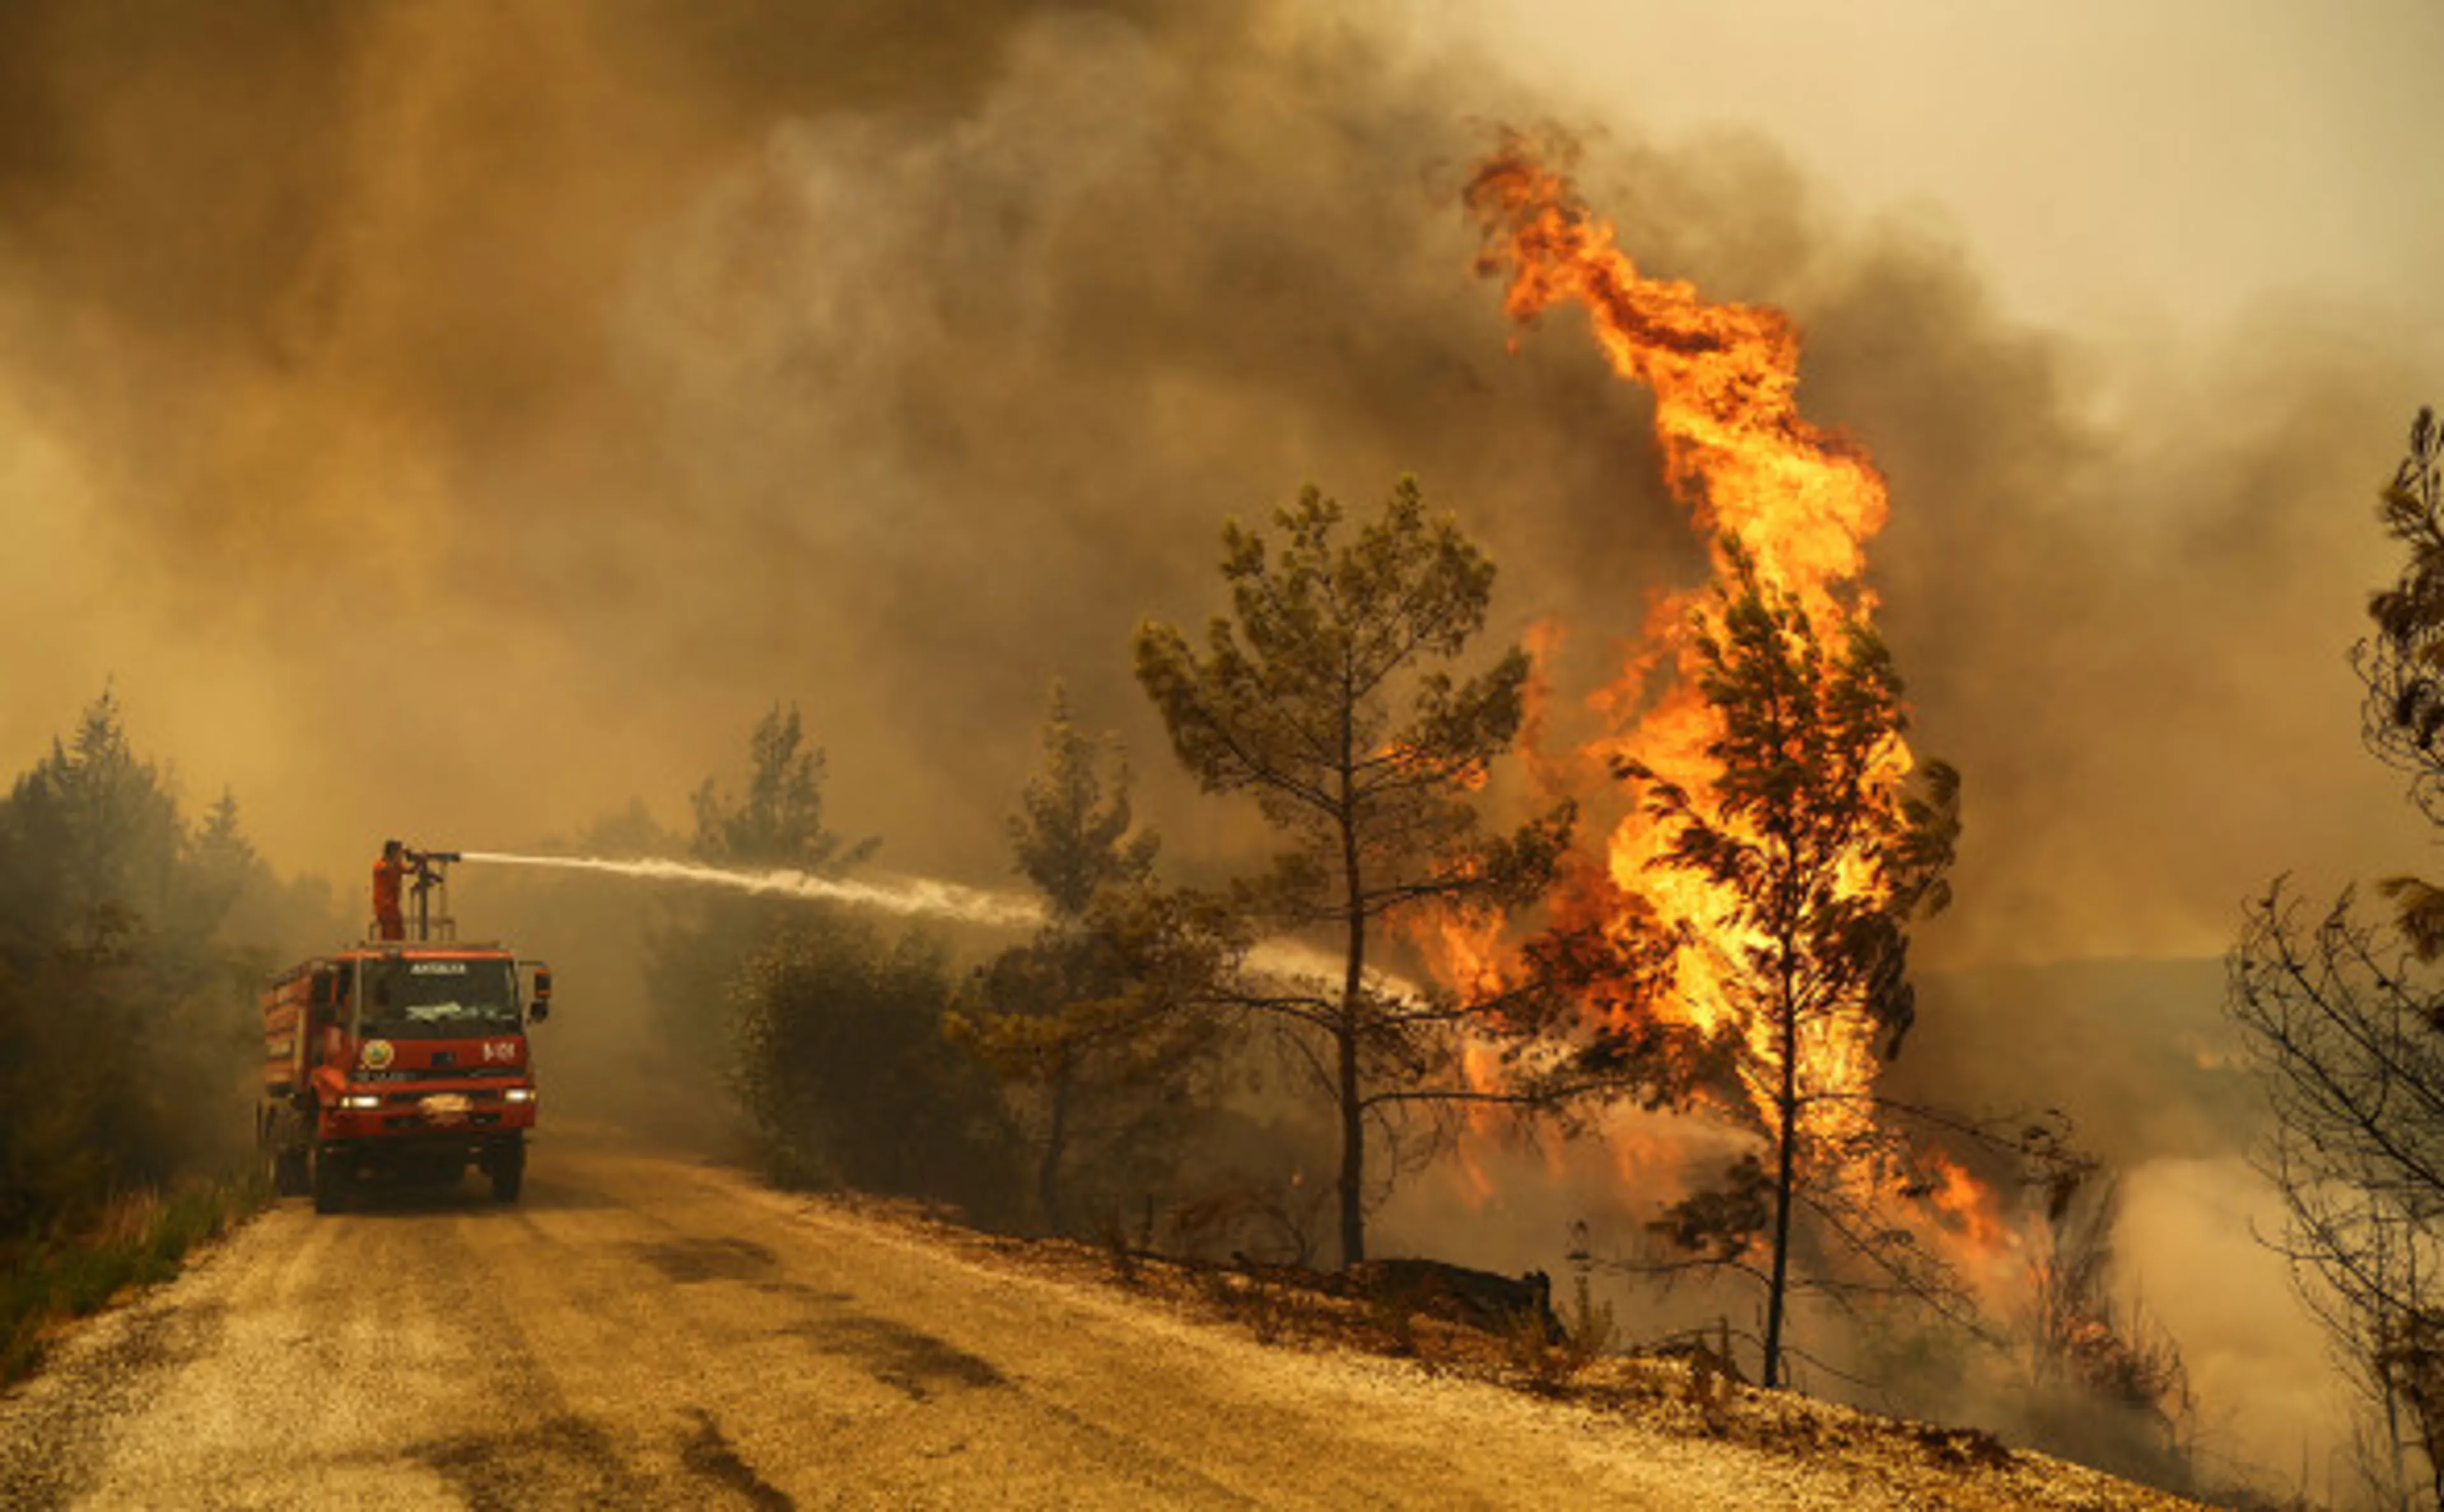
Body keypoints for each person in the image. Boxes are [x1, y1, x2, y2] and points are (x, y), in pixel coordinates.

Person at [372, 839, 410, 941]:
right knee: (390, 932)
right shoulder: (380, 865)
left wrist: (420, 861)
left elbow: (410, 871)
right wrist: (395, 862)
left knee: (397, 931)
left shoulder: (397, 866)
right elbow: (385, 870)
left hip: (393, 904)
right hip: (384, 905)